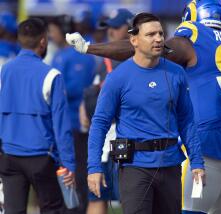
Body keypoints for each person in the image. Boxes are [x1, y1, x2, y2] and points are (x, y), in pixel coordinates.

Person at [66, 1, 221, 213]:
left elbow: (143, 49)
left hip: (208, 145)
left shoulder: (195, 38)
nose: (159, 39)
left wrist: (89, 48)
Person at [86, 13, 205, 214]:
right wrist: (94, 167)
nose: (158, 38)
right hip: (135, 167)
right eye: (150, 34)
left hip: (170, 164)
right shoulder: (118, 78)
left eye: (160, 33)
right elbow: (100, 123)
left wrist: (197, 161)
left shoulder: (177, 73)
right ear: (134, 40)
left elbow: (187, 121)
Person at [0, 18, 76, 214]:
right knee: (52, 210)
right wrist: (68, 165)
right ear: (43, 41)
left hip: (9, 156)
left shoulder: (5, 70)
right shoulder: (52, 75)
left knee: (13, 211)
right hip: (41, 158)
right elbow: (62, 126)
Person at [83, 8, 134, 214]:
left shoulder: (137, 61)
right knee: (97, 197)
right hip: (104, 138)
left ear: (130, 29)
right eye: (109, 27)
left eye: (116, 27)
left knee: (131, 200)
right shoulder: (104, 61)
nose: (111, 32)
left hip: (125, 137)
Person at [49, 17, 96, 214]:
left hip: (73, 123)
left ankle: (75, 208)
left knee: (73, 169)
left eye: (53, 30)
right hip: (72, 122)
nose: (51, 35)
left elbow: (73, 89)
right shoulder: (65, 53)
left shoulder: (73, 54)